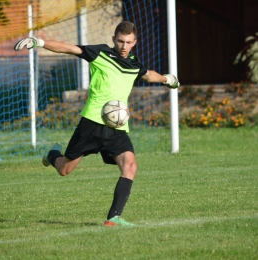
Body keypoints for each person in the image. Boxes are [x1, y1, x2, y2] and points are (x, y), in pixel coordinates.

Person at [14, 21, 179, 226]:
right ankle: (52, 154)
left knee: (130, 166)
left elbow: (147, 75)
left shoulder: (134, 63)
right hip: (91, 123)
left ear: (135, 42)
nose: (124, 46)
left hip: (117, 127)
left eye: (128, 42)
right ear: (113, 40)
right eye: (120, 41)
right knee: (64, 170)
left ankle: (113, 218)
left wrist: (167, 79)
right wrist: (39, 42)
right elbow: (69, 48)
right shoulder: (101, 53)